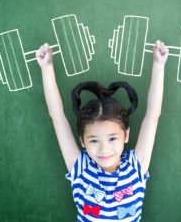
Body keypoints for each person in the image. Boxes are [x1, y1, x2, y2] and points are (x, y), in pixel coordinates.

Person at [36, 40, 168, 221]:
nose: (104, 149)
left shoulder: (136, 166)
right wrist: (47, 68)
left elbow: (153, 116)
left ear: (126, 135)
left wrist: (159, 65)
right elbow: (58, 117)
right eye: (93, 140)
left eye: (112, 138)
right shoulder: (81, 168)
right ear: (82, 141)